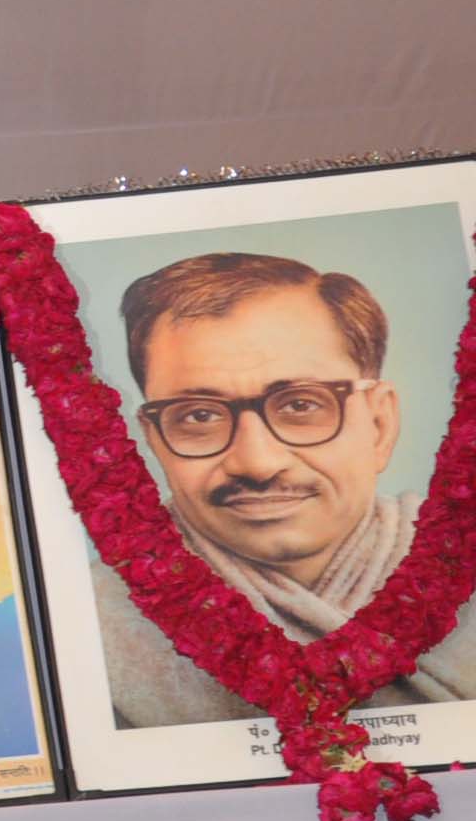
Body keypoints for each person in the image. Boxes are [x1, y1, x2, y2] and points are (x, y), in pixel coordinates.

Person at [95, 249, 476, 726]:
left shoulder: (463, 560)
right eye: (199, 416)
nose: (257, 463)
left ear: (379, 425)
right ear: (155, 441)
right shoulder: (91, 628)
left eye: (300, 405)